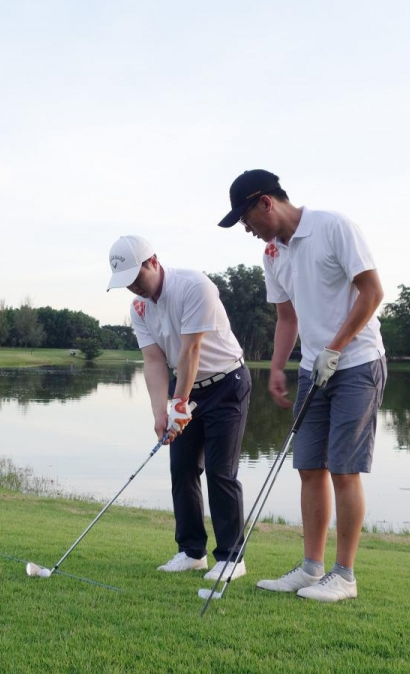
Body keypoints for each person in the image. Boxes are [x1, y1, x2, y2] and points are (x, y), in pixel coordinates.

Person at [218, 170, 386, 603]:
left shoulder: (333, 227)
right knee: (310, 467)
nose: (248, 230)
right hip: (314, 368)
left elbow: (371, 292)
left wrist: (335, 347)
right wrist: (277, 368)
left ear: (265, 203)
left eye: (246, 219)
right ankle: (311, 568)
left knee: (344, 470)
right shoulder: (273, 256)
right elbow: (287, 318)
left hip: (357, 362)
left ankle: (344, 576)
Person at [107, 235, 251, 582]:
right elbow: (155, 360)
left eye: (136, 279)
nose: (134, 289)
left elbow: (191, 352)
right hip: (185, 387)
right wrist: (161, 412)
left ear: (153, 262)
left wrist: (179, 405)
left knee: (220, 472)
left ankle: (232, 559)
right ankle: (191, 552)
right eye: (125, 284)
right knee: (183, 470)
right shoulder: (139, 307)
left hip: (226, 384)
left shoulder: (194, 286)